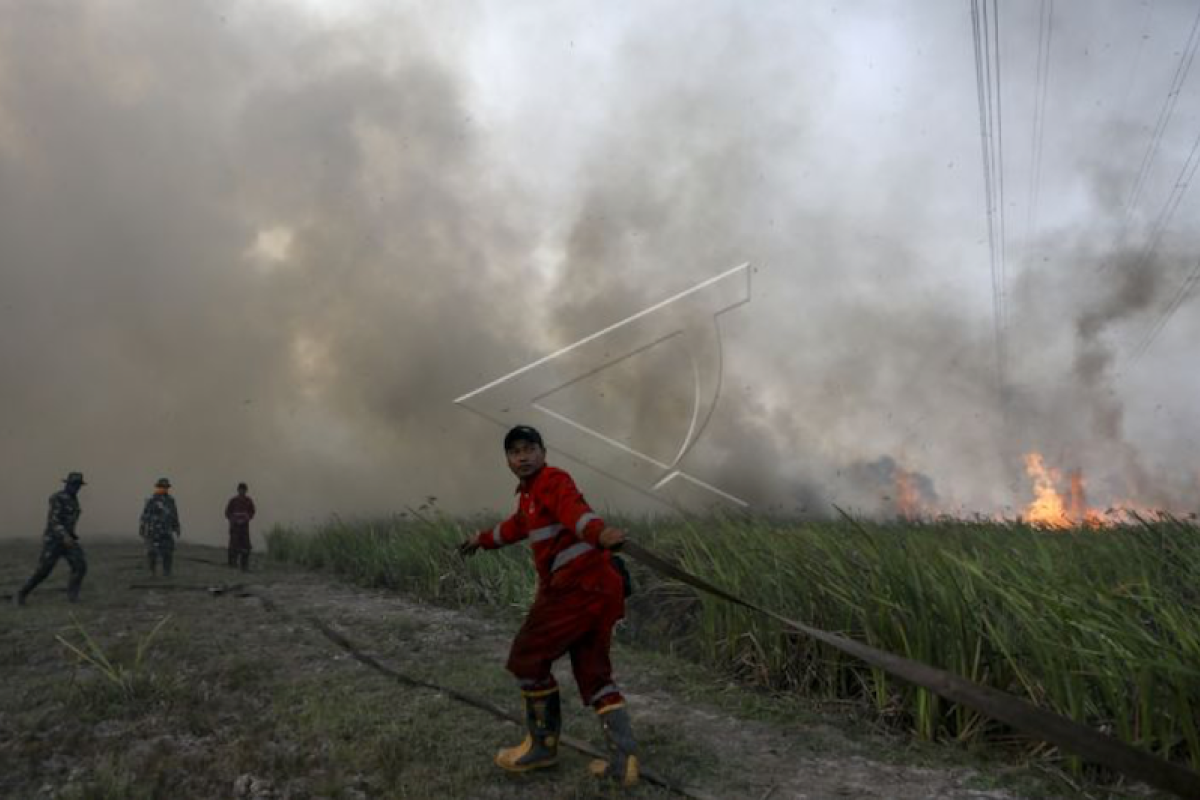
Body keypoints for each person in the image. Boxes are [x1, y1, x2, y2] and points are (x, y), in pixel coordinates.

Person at [458, 425, 638, 786]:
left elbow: (577, 513)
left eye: (529, 449)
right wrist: (480, 539)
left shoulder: (553, 481)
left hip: (577, 589)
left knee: (528, 658)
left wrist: (600, 533)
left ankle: (541, 749)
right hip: (598, 590)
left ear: (544, 452)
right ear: (508, 459)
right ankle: (624, 764)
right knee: (594, 674)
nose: (522, 457)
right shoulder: (528, 497)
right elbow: (515, 527)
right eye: (514, 452)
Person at [15, 472, 89, 605]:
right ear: (67, 484)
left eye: (78, 485)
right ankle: (22, 593)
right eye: (73, 484)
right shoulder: (57, 498)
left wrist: (70, 536)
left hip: (69, 540)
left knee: (80, 566)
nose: (76, 487)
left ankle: (73, 597)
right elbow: (54, 521)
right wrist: (64, 535)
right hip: (54, 540)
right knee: (43, 571)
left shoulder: (74, 500)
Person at [140, 478, 181, 577]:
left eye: (166, 487)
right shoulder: (151, 500)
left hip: (166, 531)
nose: (164, 489)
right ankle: (152, 572)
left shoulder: (171, 501)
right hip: (153, 531)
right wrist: (142, 528)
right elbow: (145, 515)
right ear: (157, 487)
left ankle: (167, 572)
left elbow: (174, 515)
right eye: (162, 487)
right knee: (152, 553)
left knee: (168, 553)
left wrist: (177, 527)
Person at [224, 482, 256, 571]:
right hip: (234, 527)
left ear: (246, 491)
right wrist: (233, 519)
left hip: (244, 528)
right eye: (241, 490)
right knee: (233, 546)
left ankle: (244, 564)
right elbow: (227, 513)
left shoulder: (249, 501)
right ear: (238, 490)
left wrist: (246, 518)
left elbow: (252, 512)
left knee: (245, 547)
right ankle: (232, 564)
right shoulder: (233, 500)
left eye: (244, 490)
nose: (242, 491)